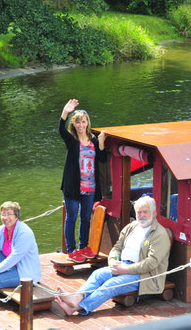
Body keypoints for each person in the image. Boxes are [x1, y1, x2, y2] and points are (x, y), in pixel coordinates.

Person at [55, 196, 172, 316]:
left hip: (145, 275)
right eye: (138, 212)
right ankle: (76, 298)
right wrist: (113, 262)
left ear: (154, 213)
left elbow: (151, 263)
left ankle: (76, 307)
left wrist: (125, 270)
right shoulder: (131, 227)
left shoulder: (159, 234)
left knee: (112, 284)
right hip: (123, 265)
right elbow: (117, 248)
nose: (141, 215)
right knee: (98, 274)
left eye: (145, 212)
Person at [59, 99, 107, 263]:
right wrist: (66, 111)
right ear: (74, 123)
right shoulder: (71, 140)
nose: (80, 125)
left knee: (86, 218)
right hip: (72, 187)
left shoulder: (93, 140)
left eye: (83, 122)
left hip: (90, 186)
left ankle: (83, 247)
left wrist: (101, 143)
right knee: (71, 217)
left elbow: (102, 159)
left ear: (87, 123)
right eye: (78, 122)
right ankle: (71, 250)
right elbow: (60, 128)